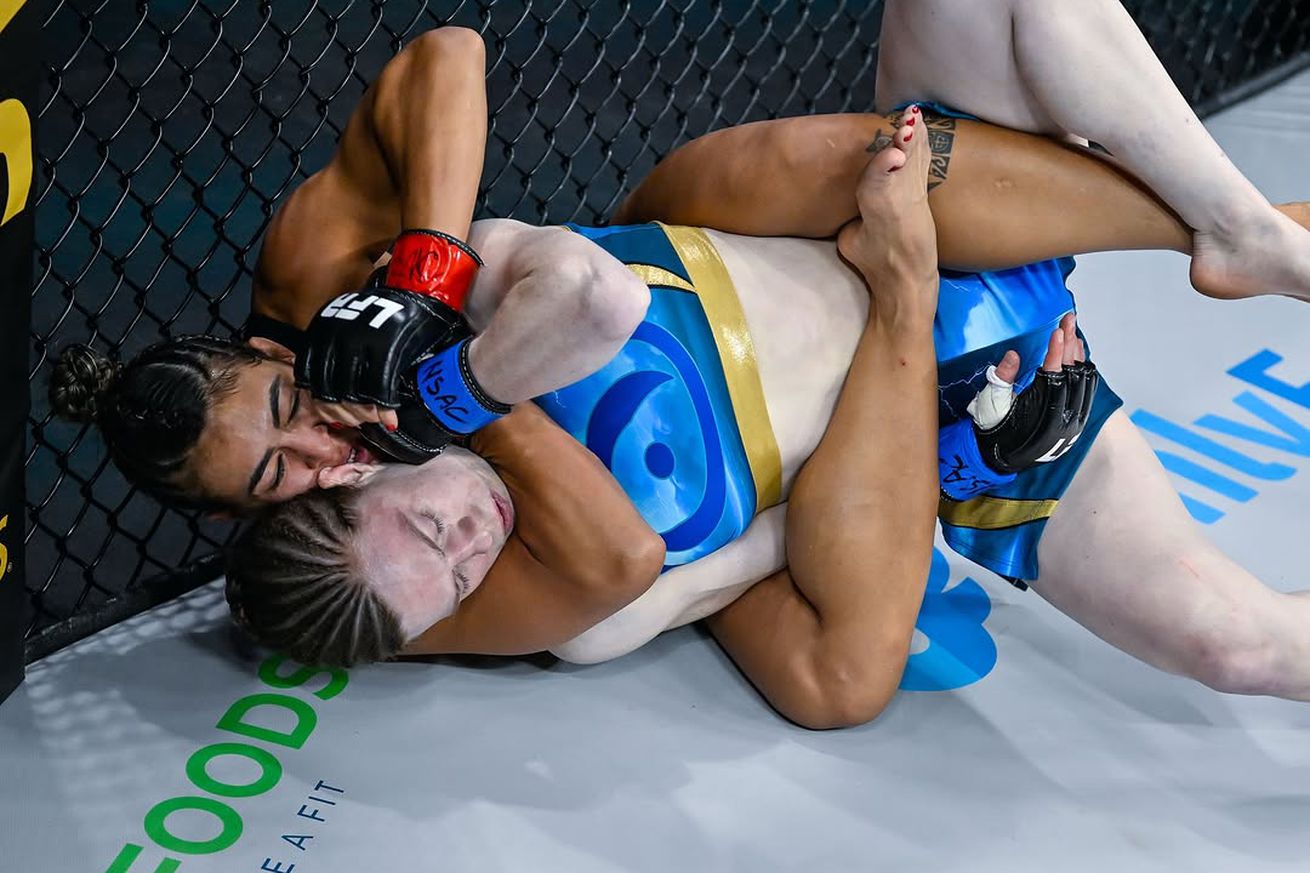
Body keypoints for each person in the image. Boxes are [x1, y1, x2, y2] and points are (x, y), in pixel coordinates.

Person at [49, 5, 1310, 724]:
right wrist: (458, 403)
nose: (322, 448)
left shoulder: (369, 295)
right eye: (281, 477)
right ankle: (1232, 233)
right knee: (1234, 648)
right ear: (252, 518)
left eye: (285, 410)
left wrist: (423, 283)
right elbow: (648, 587)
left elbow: (456, 69)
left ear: (265, 350)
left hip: (868, 222)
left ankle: (1233, 233)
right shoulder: (425, 569)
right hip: (954, 399)